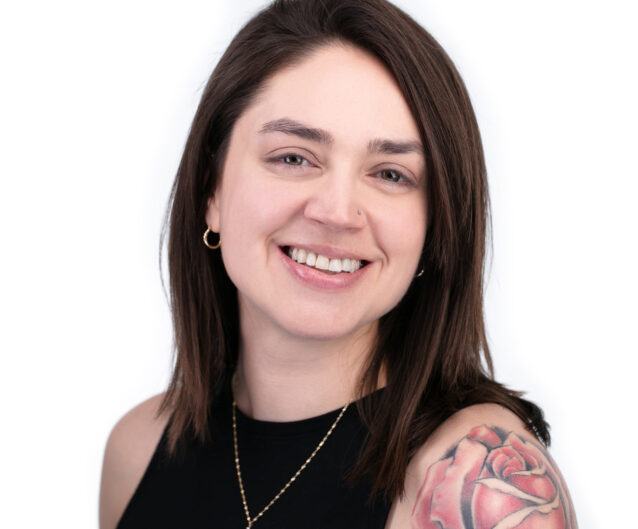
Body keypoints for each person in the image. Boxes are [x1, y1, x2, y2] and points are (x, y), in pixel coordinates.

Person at [100, 1, 577, 528]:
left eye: (391, 174)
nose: (336, 212)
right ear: (212, 188)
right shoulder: (138, 448)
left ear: (434, 226)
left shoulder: (474, 484)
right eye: (294, 158)